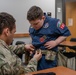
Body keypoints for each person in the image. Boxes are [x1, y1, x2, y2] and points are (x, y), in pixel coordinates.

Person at [27, 6, 71, 70]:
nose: (33, 26)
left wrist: (56, 42)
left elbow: (66, 33)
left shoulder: (54, 22)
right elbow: (31, 34)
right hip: (35, 57)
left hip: (48, 59)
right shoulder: (33, 24)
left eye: (36, 24)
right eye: (31, 24)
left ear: (43, 18)